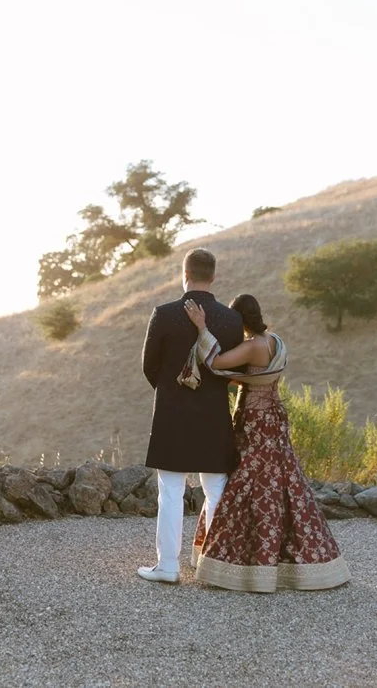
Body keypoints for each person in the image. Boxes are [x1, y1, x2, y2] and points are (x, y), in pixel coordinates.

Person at [181, 294, 351, 591]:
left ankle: (240, 561)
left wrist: (202, 327)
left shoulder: (251, 346)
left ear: (239, 319)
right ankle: (303, 560)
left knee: (247, 482)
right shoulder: (275, 341)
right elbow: (256, 376)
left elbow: (215, 362)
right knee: (285, 481)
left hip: (255, 421)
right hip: (275, 417)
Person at [137, 248, 244, 584]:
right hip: (213, 414)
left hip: (173, 414)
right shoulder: (231, 319)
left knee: (170, 490)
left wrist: (172, 393)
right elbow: (235, 368)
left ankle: (168, 566)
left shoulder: (164, 313)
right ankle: (213, 568)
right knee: (216, 489)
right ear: (213, 276)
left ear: (184, 274)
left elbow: (149, 366)